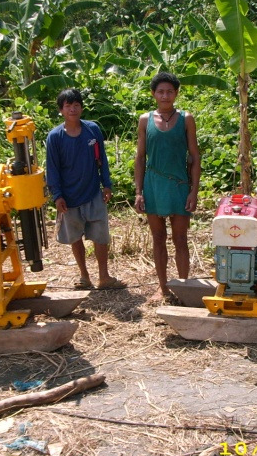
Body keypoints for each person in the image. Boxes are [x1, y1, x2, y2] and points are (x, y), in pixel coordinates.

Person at [46, 89, 125, 290]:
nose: (73, 109)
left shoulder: (92, 130)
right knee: (75, 237)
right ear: (61, 110)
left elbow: (102, 160)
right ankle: (84, 276)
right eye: (68, 106)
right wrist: (57, 195)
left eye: (76, 105)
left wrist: (106, 184)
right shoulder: (55, 137)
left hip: (93, 192)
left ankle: (104, 276)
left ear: (81, 107)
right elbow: (52, 168)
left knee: (100, 236)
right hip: (69, 197)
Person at [134, 72, 201, 302]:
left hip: (179, 185)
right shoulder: (145, 120)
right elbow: (140, 158)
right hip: (153, 185)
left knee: (180, 239)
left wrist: (194, 191)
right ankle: (162, 288)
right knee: (158, 237)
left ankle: (184, 288)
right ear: (153, 94)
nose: (165, 96)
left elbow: (194, 156)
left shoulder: (186, 118)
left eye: (169, 91)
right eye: (160, 91)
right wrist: (138, 192)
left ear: (176, 94)